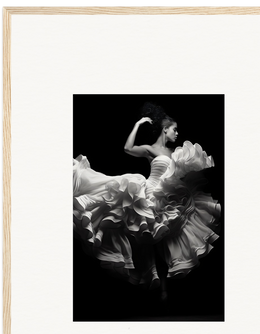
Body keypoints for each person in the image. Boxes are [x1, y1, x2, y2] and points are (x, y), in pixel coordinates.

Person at [73, 102, 221, 300]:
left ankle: (163, 289)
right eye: (174, 130)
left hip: (168, 197)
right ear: (164, 129)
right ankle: (152, 289)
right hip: (148, 194)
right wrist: (138, 124)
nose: (177, 134)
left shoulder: (173, 152)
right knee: (145, 239)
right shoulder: (150, 149)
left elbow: (178, 174)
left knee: (163, 242)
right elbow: (127, 148)